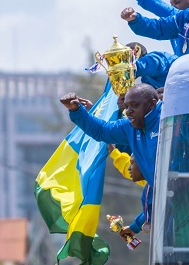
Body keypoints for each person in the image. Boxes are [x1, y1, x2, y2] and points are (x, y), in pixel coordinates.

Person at [60, 83, 161, 238]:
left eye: (135, 105)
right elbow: (102, 131)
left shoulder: (168, 118)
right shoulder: (130, 126)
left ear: (153, 104)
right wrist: (76, 110)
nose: (129, 111)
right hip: (169, 201)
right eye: (127, 106)